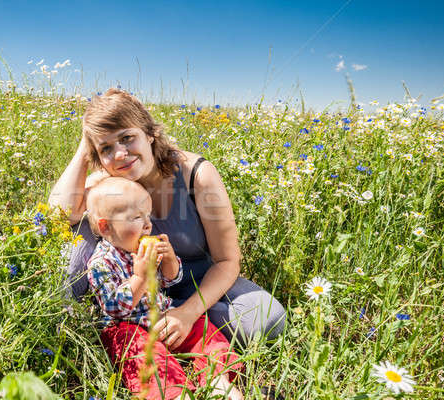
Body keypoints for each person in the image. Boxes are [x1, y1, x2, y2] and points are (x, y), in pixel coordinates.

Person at [49, 88, 285, 346]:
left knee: (266, 319)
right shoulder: (112, 182)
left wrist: (187, 313)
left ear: (150, 133)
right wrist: (88, 139)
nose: (119, 154)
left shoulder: (195, 174)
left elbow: (227, 260)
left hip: (198, 286)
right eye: (106, 148)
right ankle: (64, 315)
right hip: (135, 288)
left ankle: (162, 328)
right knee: (81, 225)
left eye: (127, 138)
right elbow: (58, 215)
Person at [86, 177, 243, 399]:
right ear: (106, 226)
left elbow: (171, 280)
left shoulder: (144, 246)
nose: (148, 224)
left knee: (204, 330)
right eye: (137, 217)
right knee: (141, 355)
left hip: (161, 316)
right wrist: (140, 277)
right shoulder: (101, 263)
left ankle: (218, 379)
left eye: (147, 216)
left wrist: (169, 261)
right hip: (127, 328)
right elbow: (114, 307)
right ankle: (171, 392)